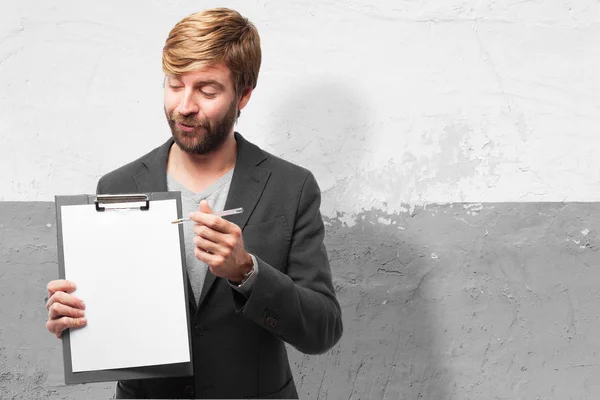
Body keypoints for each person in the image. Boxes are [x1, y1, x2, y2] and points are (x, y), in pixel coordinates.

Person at [44, 7, 343, 399]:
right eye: (174, 84)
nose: (184, 105)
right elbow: (109, 310)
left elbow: (322, 329)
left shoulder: (292, 187)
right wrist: (71, 314)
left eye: (207, 90)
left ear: (244, 95)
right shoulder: (118, 185)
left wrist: (247, 272)